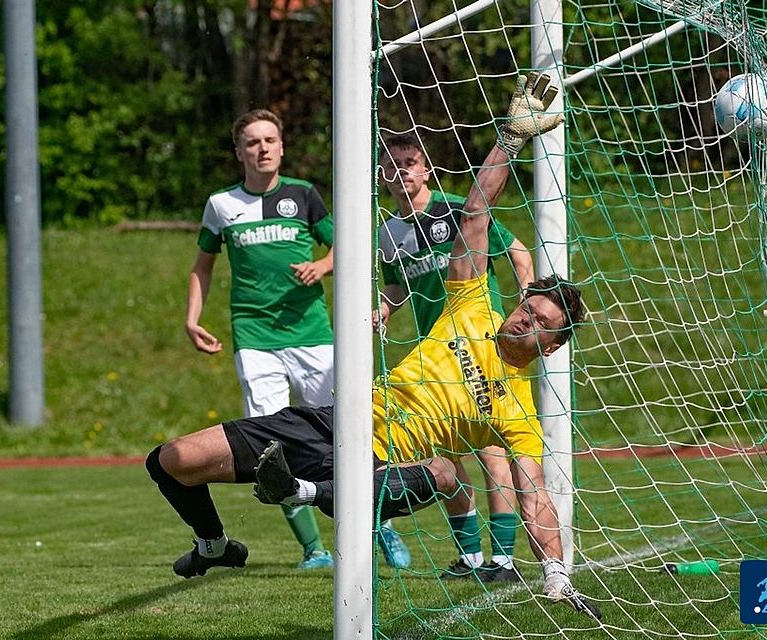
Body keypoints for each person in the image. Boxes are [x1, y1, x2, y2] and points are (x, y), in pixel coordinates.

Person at [148, 73, 600, 619]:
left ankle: (307, 491)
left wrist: (555, 572)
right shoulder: (471, 306)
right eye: (527, 309)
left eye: (539, 325)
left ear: (550, 348)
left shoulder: (519, 408)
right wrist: (510, 139)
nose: (524, 320)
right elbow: (476, 214)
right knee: (170, 460)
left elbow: (535, 496)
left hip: (389, 468)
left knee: (444, 474)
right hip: (337, 422)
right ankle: (216, 544)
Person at [183, 109, 408, 570]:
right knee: (271, 450)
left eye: (270, 140)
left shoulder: (304, 195)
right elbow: (202, 265)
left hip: (312, 336)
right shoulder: (222, 205)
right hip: (255, 338)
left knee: (348, 434)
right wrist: (192, 319)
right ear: (239, 151)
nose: (262, 148)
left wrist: (322, 267)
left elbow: (344, 244)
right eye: (252, 142)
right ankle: (314, 549)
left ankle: (381, 524)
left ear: (282, 147)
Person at [376, 133, 535, 583]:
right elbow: (397, 287)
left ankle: (503, 560)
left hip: (479, 344)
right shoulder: (387, 233)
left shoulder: (454, 211)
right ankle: (470, 557)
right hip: (434, 356)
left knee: (489, 448)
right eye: (392, 165)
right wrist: (383, 309)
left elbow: (518, 252)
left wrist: (526, 296)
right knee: (443, 455)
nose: (402, 170)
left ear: (426, 169)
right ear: (382, 176)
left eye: (410, 162)